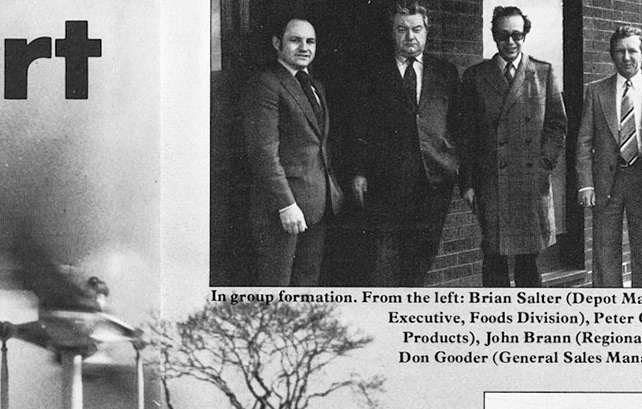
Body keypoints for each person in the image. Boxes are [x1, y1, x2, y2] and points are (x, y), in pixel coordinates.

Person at [344, 3, 460, 287]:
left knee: (421, 260)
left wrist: (452, 162)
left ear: (426, 31)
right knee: (381, 264)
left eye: (417, 29)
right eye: (402, 29)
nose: (410, 36)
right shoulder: (372, 72)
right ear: (392, 32)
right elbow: (359, 124)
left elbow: (459, 123)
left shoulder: (445, 71)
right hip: (386, 183)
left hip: (433, 183)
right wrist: (359, 171)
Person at [452, 6, 565, 287]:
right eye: (503, 35)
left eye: (516, 34)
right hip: (491, 182)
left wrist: (543, 164)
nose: (510, 42)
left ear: (525, 35)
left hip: (529, 180)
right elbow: (465, 136)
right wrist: (467, 182)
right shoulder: (475, 77)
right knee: (494, 258)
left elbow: (556, 125)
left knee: (528, 260)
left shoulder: (543, 72)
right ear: (494, 36)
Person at [242, 16, 343, 287]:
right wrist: (286, 205)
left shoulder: (315, 85)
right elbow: (263, 153)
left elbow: (318, 144)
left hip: (318, 206)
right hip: (282, 210)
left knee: (306, 286)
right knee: (277, 289)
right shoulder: (266, 83)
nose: (304, 47)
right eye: (295, 40)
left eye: (310, 41)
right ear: (278, 43)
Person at [575, 27, 642, 288]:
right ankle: (609, 306)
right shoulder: (596, 90)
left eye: (632, 50)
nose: (626, 57)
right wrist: (586, 184)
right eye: (620, 51)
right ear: (612, 55)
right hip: (606, 181)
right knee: (605, 248)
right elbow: (584, 141)